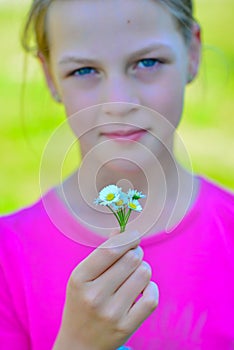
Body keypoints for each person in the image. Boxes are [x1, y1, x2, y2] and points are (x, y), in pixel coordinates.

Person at [0, 0, 234, 349]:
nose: (119, 101)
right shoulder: (9, 258)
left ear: (193, 52)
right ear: (50, 76)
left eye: (148, 62)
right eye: (83, 71)